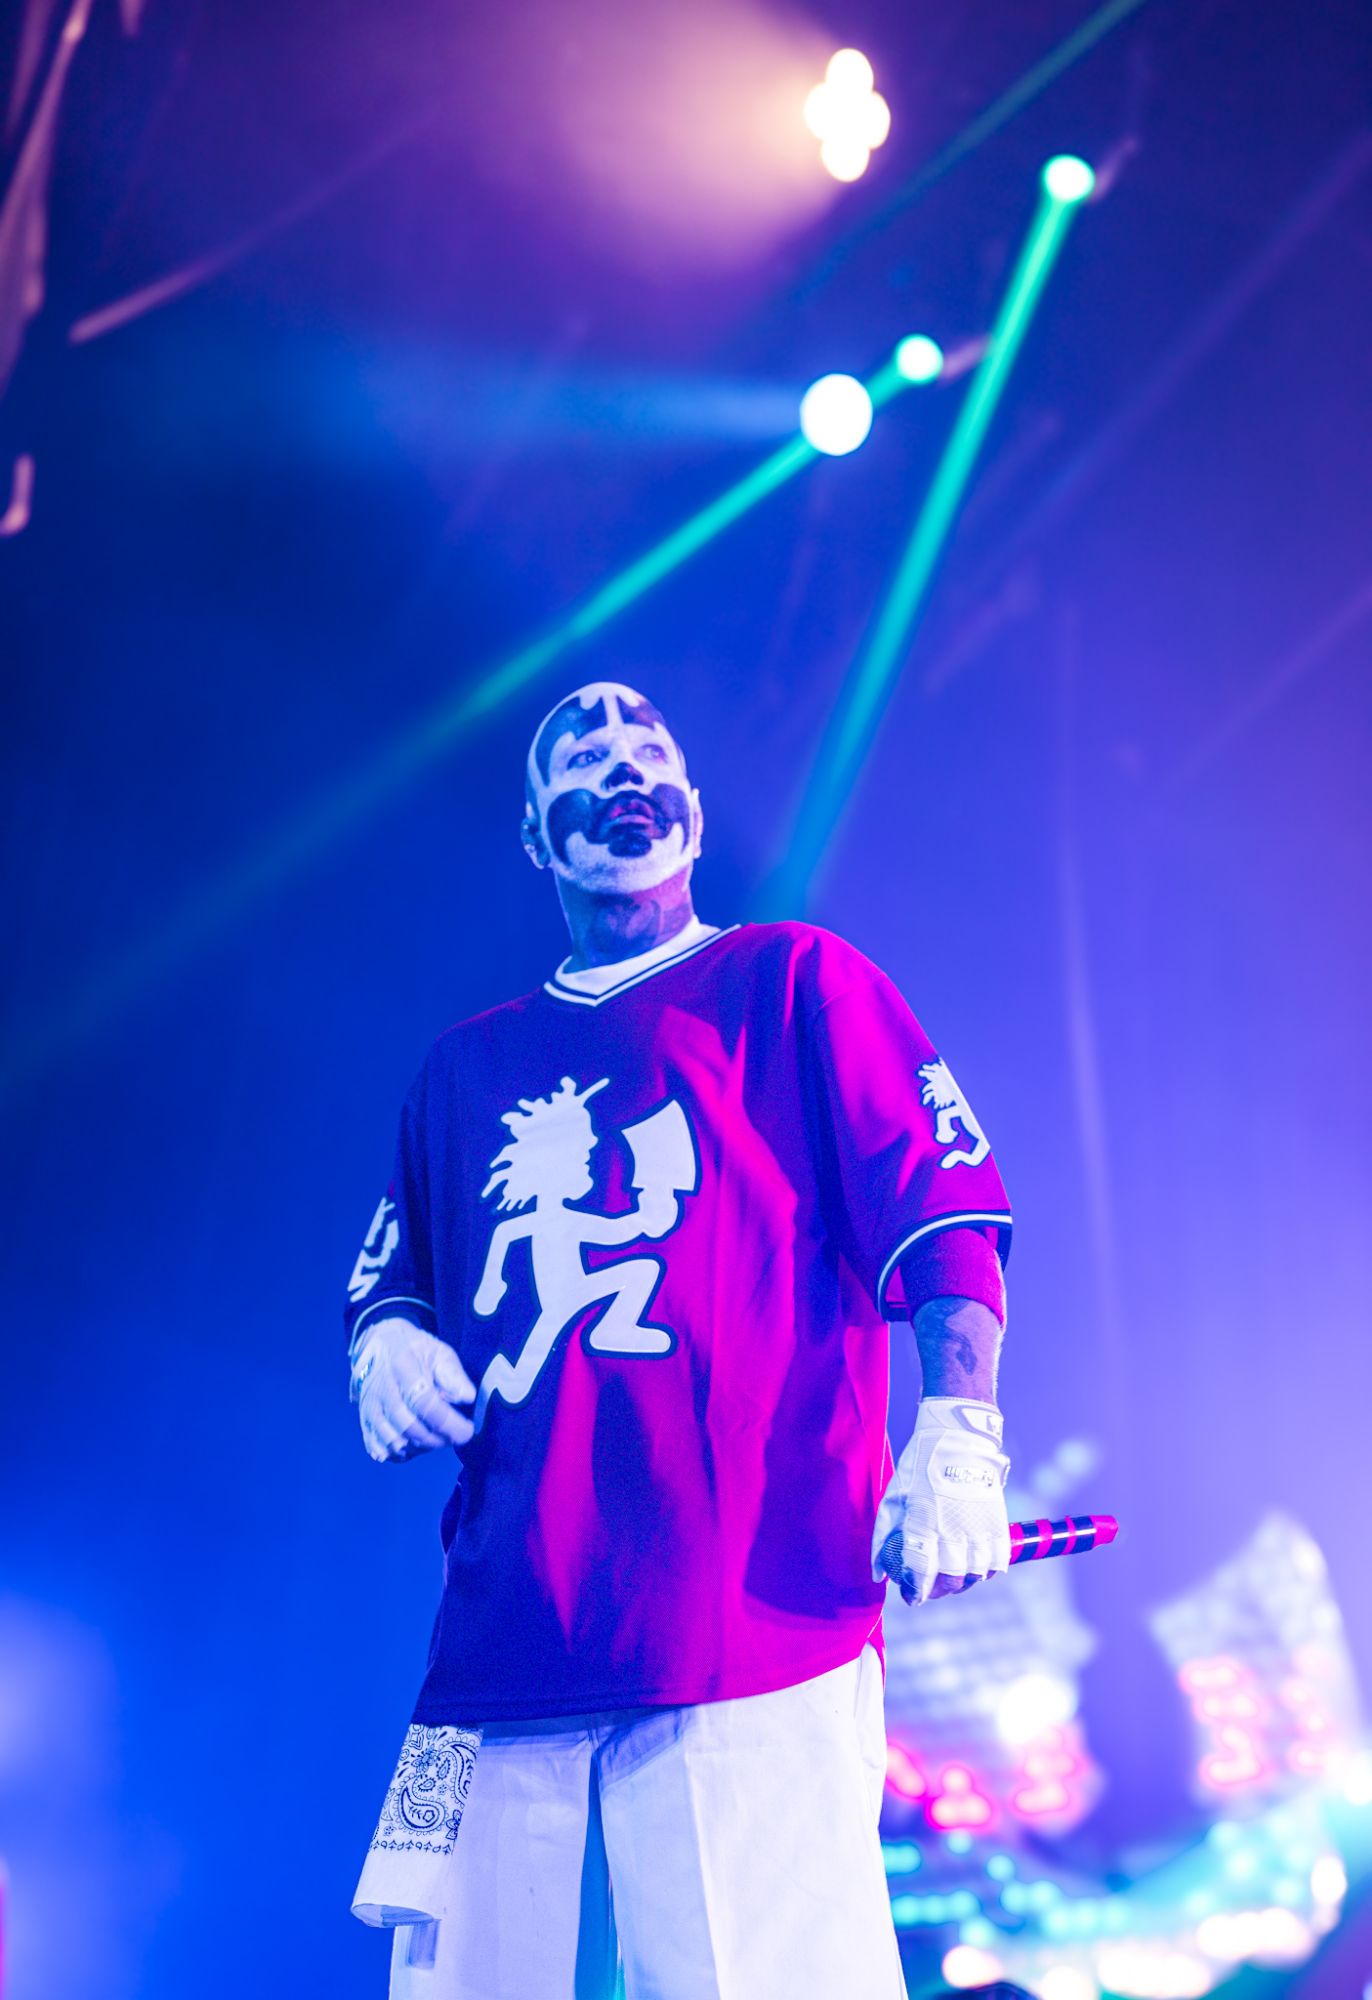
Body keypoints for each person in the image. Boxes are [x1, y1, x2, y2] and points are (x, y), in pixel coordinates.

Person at [344, 681, 1015, 2000]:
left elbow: (946, 1216)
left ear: (695, 813)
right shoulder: (459, 1071)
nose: (620, 767)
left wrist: (961, 1427)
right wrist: (384, 1340)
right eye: (581, 757)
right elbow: (390, 1277)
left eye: (647, 749)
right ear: (537, 836)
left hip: (754, 1627)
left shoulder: (795, 982)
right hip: (483, 1659)